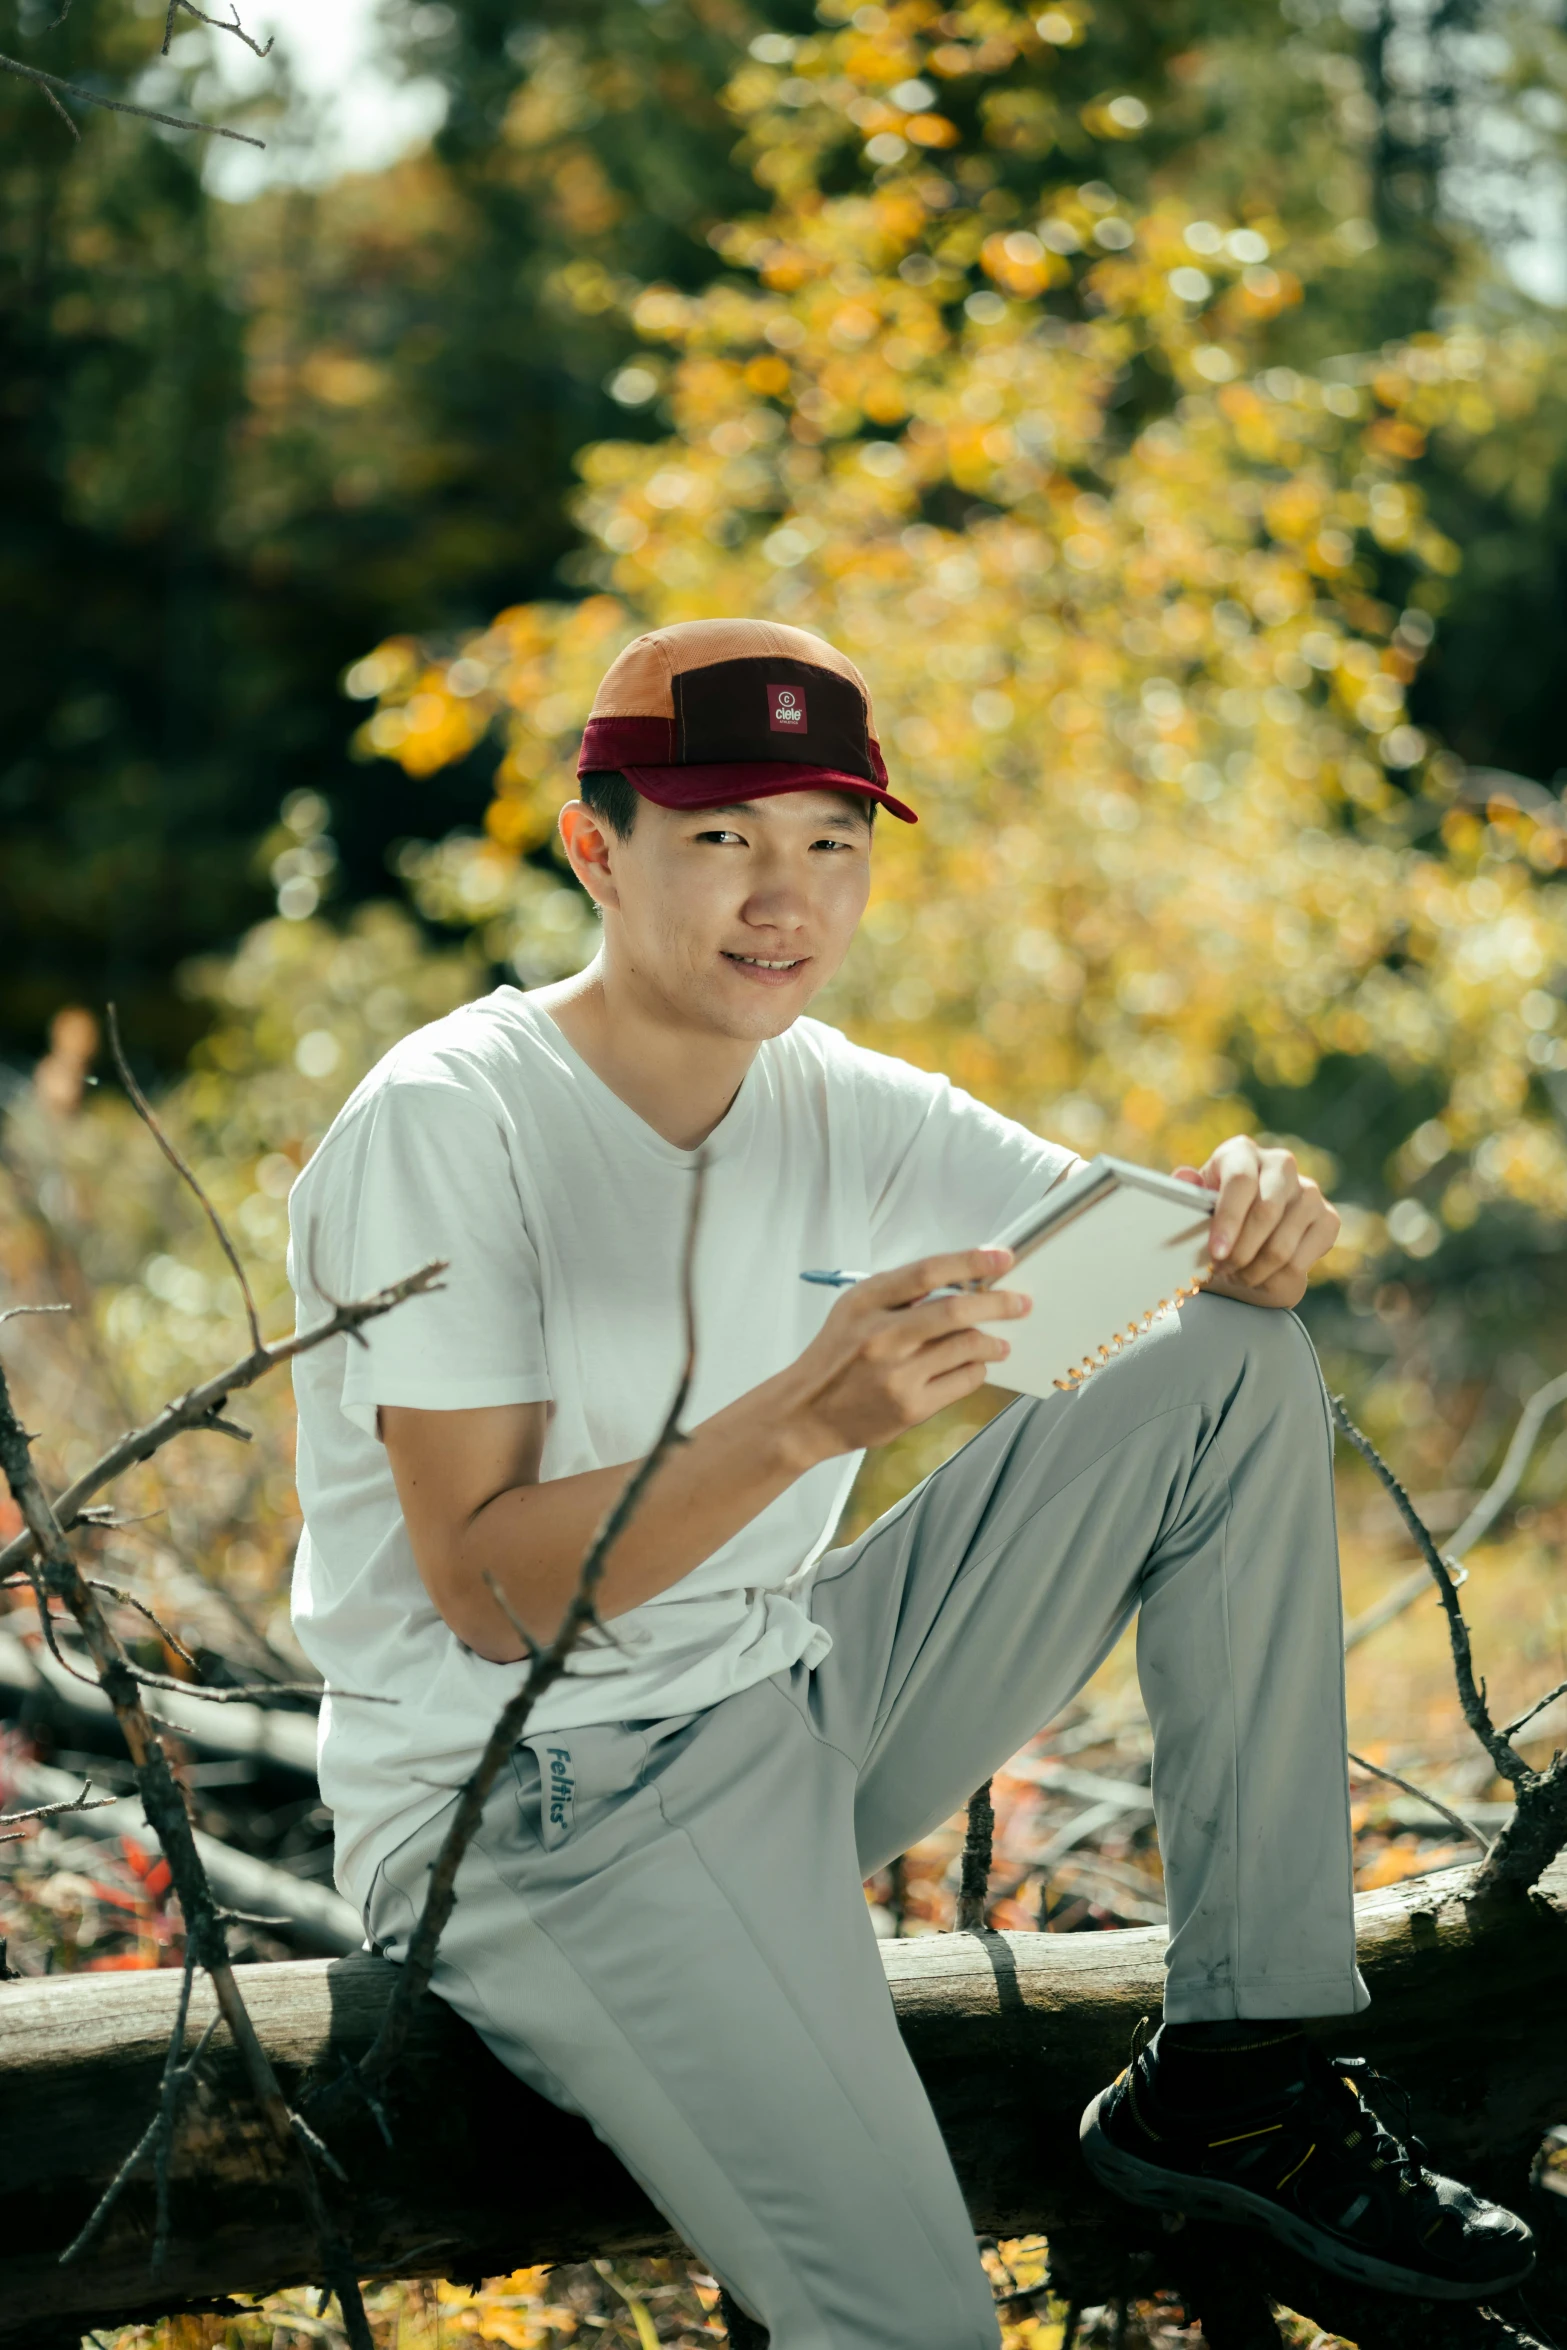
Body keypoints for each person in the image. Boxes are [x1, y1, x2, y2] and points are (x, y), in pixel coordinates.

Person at [288, 618, 1532, 2348]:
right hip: (535, 1807)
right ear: (596, 844)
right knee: (917, 2328)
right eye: (723, 838)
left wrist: (1251, 1210)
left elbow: (1158, 1277)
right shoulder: (451, 1119)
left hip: (793, 1695)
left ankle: (1241, 2074)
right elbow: (484, 1594)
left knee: (1231, 1365)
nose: (780, 899)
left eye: (830, 844)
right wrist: (802, 1419)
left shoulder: (849, 1105)